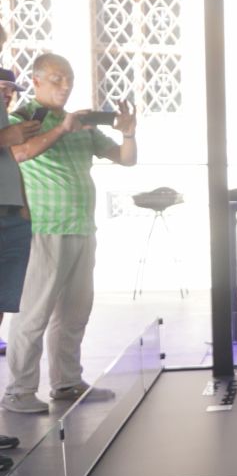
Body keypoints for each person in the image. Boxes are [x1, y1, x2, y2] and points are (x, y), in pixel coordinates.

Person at [3, 52, 137, 415]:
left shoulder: (82, 125)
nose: (65, 86)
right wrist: (61, 128)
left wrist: (127, 131)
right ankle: (18, 391)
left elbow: (126, 158)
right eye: (56, 79)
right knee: (33, 314)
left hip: (81, 228)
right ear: (36, 81)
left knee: (75, 312)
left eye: (69, 80)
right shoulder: (22, 119)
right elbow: (19, 154)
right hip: (43, 230)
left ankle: (66, 382)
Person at [0, 62, 34, 465]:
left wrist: (24, 208)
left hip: (12, 218)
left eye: (11, 89)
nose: (8, 93)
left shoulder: (7, 119)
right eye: (2, 87)